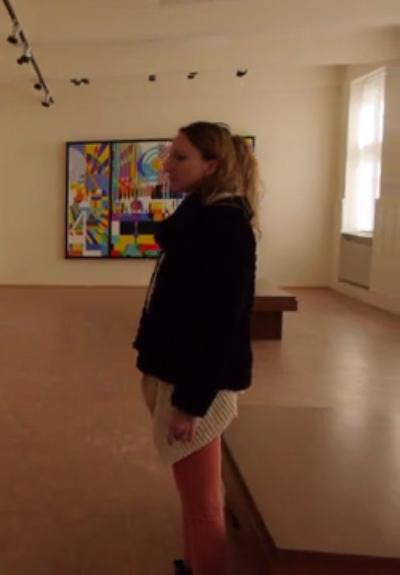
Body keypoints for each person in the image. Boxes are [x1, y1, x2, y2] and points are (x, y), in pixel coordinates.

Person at [133, 121, 260, 575]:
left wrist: (190, 404)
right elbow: (170, 239)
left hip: (195, 385)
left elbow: (219, 327)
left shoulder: (225, 230)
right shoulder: (202, 218)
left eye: (179, 156)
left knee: (202, 503)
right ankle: (191, 565)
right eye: (169, 154)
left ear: (211, 165)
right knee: (191, 496)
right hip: (178, 373)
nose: (166, 164)